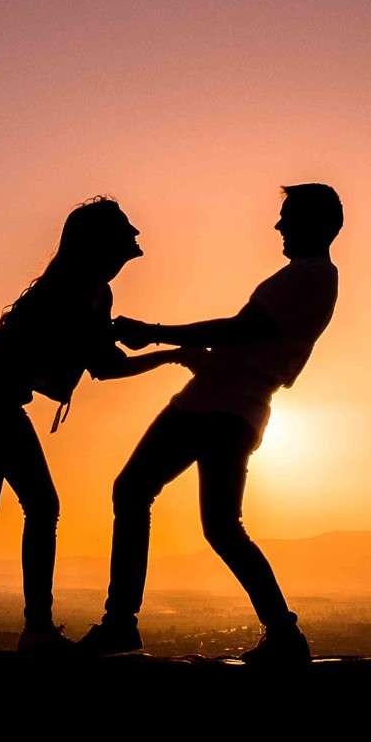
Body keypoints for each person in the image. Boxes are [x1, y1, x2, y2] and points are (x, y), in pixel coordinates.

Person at [0, 197, 195, 658]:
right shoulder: (78, 289)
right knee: (38, 506)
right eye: (126, 232)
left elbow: (102, 363)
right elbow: (102, 363)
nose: (135, 239)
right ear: (103, 242)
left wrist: (160, 352)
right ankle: (34, 629)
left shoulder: (91, 290)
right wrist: (171, 354)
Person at [76, 183, 343, 666]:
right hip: (239, 408)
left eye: (287, 216)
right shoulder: (309, 278)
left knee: (134, 491)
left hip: (215, 404)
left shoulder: (310, 275)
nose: (279, 225)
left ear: (317, 223)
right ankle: (283, 632)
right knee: (220, 527)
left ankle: (120, 622)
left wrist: (154, 334)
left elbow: (241, 330)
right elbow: (254, 342)